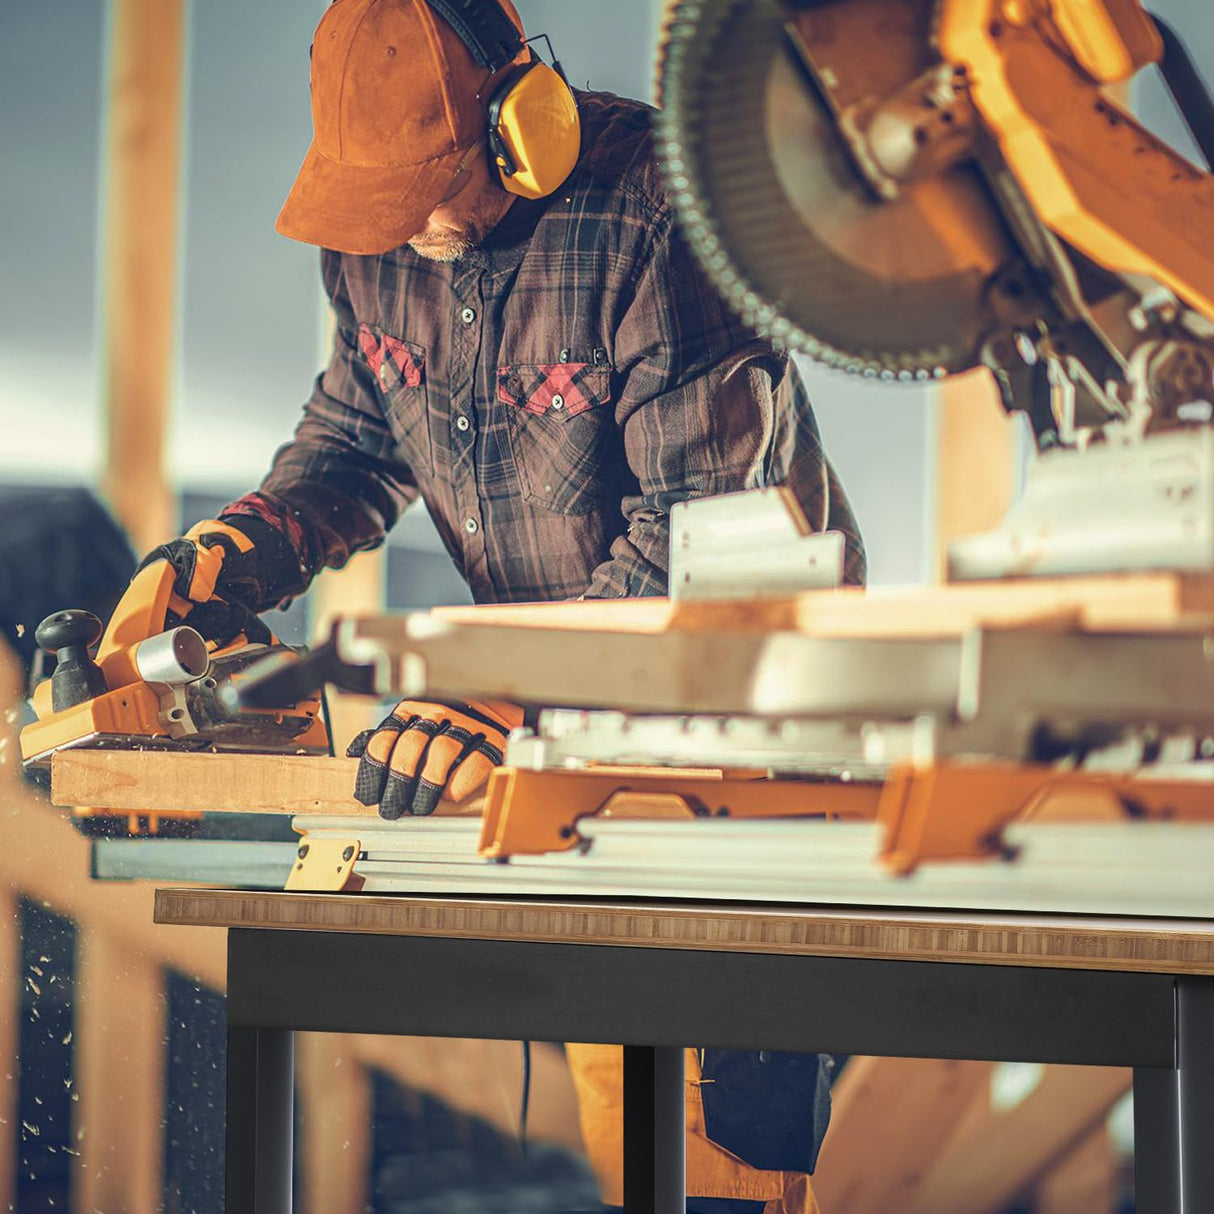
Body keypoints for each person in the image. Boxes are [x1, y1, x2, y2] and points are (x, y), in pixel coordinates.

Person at [139, 1, 865, 1209]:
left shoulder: (656, 217)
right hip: (551, 729)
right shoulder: (374, 234)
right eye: (379, 203)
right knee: (615, 1082)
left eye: (433, 189)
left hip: (746, 723)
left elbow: (700, 545)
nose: (410, 231)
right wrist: (236, 552)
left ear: (523, 120)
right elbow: (354, 437)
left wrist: (501, 692)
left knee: (712, 1122)